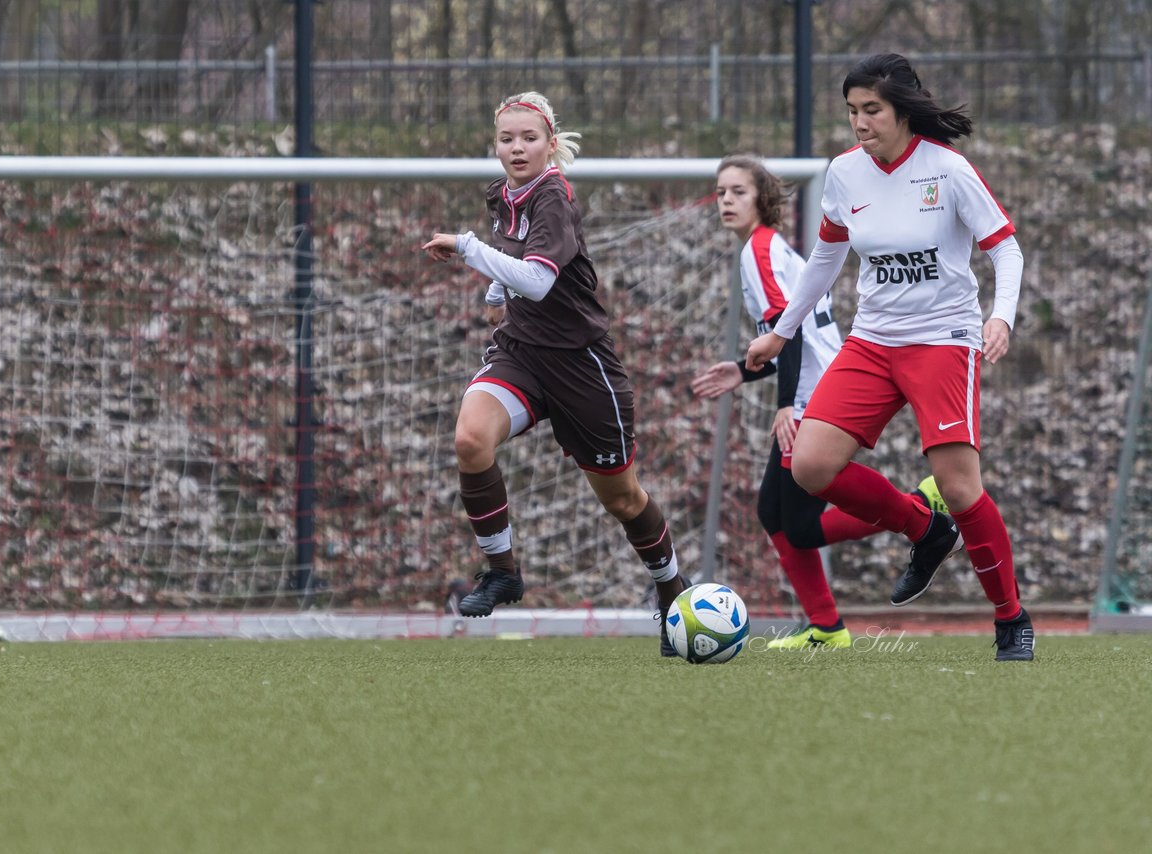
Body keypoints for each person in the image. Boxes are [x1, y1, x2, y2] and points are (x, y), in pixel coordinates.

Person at [744, 53, 1034, 661]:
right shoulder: (845, 173)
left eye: (870, 109)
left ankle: (1010, 618)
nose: (859, 122)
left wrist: (1000, 316)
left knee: (959, 487)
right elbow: (826, 257)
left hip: (943, 341)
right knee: (811, 467)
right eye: (851, 111)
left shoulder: (948, 170)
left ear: (901, 108)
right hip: (872, 340)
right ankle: (923, 529)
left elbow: (1006, 250)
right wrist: (781, 331)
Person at [422, 91, 688, 656]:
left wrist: (468, 250)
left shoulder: (553, 197)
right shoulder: (503, 194)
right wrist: (497, 287)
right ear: (495, 145)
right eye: (506, 138)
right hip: (521, 352)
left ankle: (671, 589)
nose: (517, 148)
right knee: (471, 439)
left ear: (550, 144)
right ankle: (502, 571)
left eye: (528, 138)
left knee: (623, 500)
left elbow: (540, 280)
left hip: (580, 365)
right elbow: (515, 262)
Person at [692, 155, 944, 650]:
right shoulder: (768, 249)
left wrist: (786, 405)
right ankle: (826, 626)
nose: (726, 200)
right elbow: (790, 331)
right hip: (811, 382)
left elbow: (791, 329)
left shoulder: (759, 250)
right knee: (773, 511)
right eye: (721, 192)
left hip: (811, 393)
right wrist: (743, 372)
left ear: (762, 199)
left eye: (738, 191)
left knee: (802, 528)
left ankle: (918, 509)